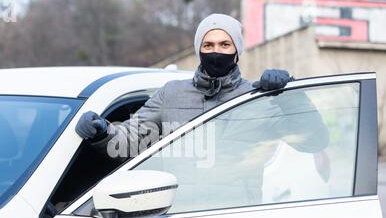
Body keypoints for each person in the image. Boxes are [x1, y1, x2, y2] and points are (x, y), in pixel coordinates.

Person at [75, 14, 295, 160]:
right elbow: (129, 141)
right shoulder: (171, 94)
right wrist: (102, 131)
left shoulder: (255, 97)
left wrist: (289, 98)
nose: (216, 51)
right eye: (208, 45)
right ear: (199, 51)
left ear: (237, 51)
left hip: (236, 214)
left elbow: (312, 141)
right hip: (180, 215)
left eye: (225, 44)